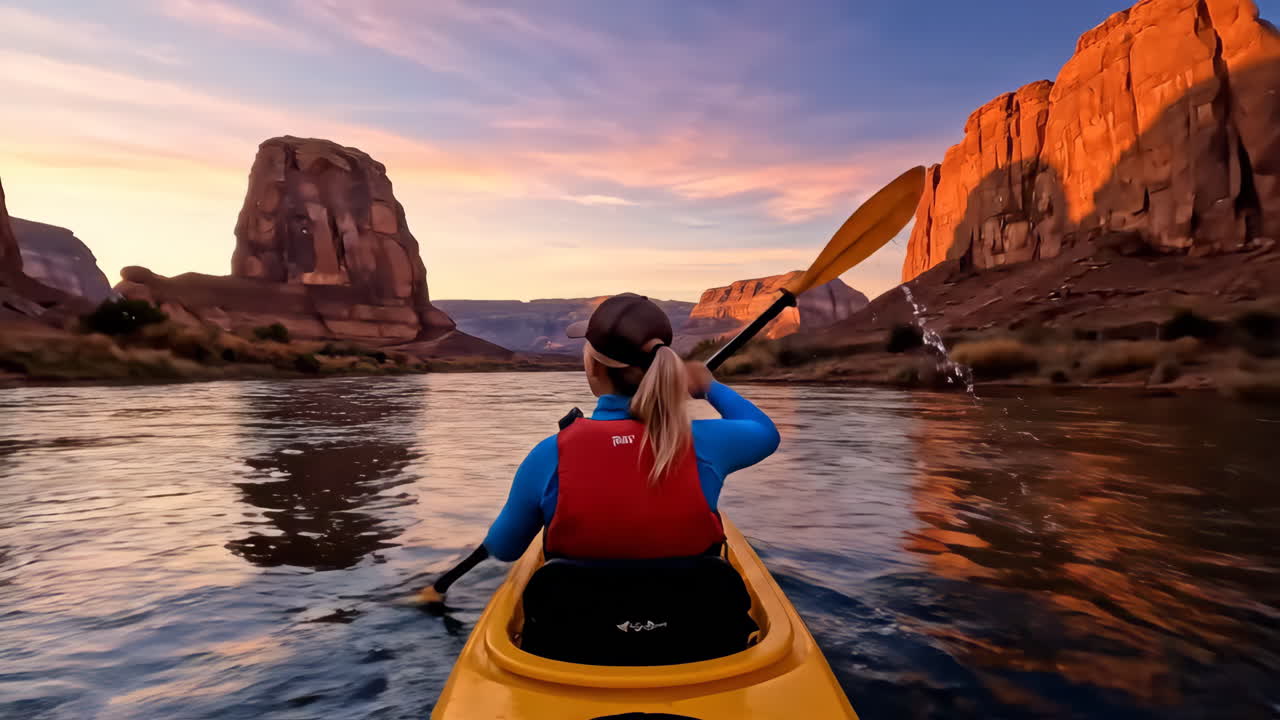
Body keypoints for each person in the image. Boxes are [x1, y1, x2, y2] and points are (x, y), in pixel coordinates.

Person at [417, 293, 779, 602]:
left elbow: (507, 547)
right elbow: (764, 431)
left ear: (592, 367)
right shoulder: (705, 442)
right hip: (700, 639)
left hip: (577, 643)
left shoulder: (549, 454)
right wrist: (709, 386)